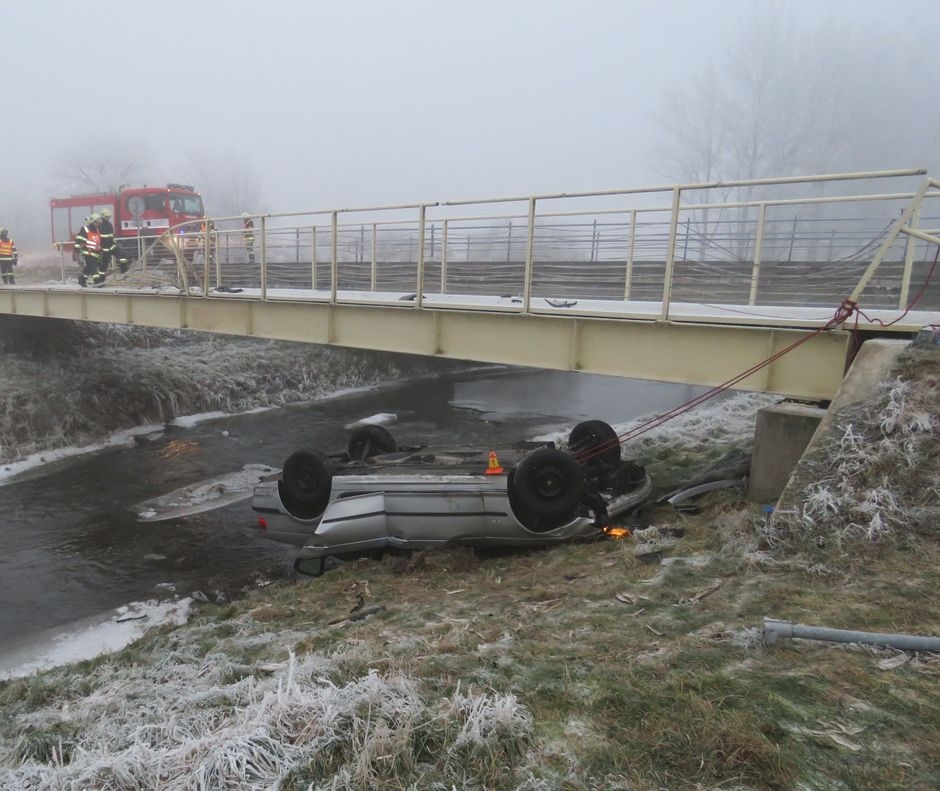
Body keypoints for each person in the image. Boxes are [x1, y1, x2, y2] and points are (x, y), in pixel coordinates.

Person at [74, 214, 104, 287]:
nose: (99, 224)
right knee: (93, 268)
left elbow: (100, 242)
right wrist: (77, 252)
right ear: (93, 222)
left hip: (96, 254)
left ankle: (81, 280)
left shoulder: (98, 230)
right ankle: (98, 282)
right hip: (87, 253)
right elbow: (78, 241)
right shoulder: (85, 229)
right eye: (98, 222)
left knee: (88, 269)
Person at [97, 207, 126, 274]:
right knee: (103, 266)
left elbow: (111, 236)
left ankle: (124, 272)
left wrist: (115, 243)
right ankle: (100, 281)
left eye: (109, 217)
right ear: (103, 217)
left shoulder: (109, 225)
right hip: (104, 250)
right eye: (107, 217)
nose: (108, 218)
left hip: (111, 246)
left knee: (122, 256)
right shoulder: (99, 226)